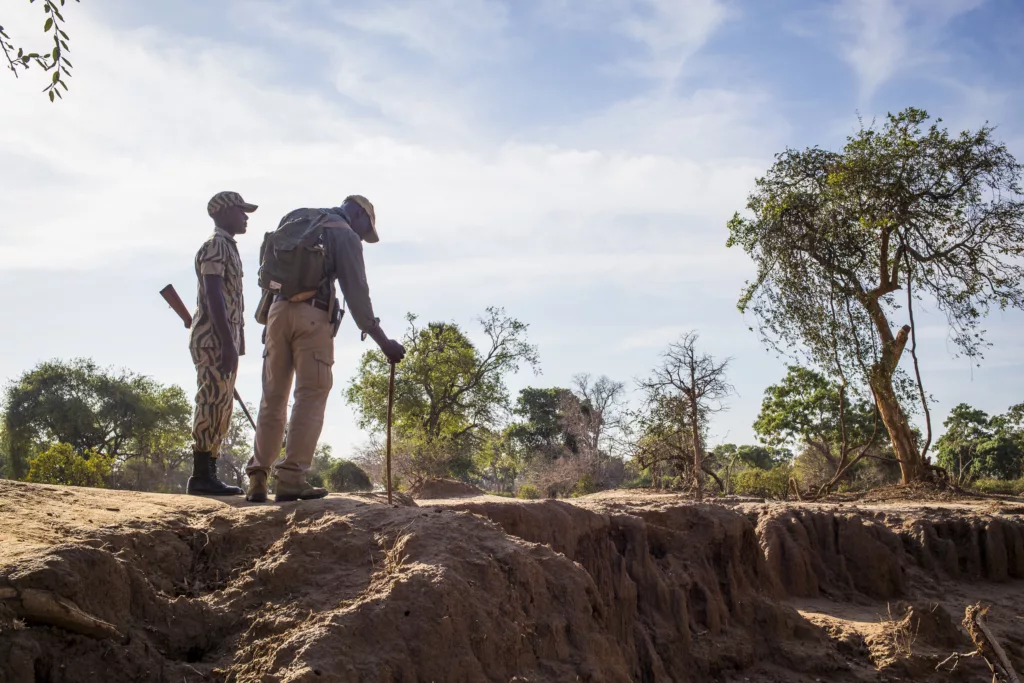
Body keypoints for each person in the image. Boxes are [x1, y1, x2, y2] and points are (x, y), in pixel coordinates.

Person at [246, 195, 406, 503]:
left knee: (273, 397)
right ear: (358, 213)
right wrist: (384, 342)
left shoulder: (296, 215)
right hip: (313, 317)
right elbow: (357, 293)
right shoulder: (344, 235)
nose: (362, 234)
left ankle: (257, 478)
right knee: (310, 395)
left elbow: (273, 274)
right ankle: (291, 478)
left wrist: (270, 320)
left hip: (276, 314)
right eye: (365, 227)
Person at [186, 191, 258, 496]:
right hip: (215, 340)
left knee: (221, 406)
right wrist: (227, 344)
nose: (245, 217)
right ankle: (201, 475)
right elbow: (213, 293)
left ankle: (209, 469)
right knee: (211, 400)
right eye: (241, 211)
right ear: (225, 212)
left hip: (224, 339)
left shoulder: (228, 247)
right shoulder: (216, 245)